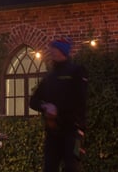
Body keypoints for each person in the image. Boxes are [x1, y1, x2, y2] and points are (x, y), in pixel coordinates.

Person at [29, 38, 88, 172]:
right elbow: (33, 101)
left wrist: (58, 109)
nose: (51, 52)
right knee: (49, 167)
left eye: (54, 49)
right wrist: (45, 106)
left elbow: (80, 100)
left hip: (72, 131)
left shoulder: (76, 71)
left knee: (71, 167)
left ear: (62, 51)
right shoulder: (50, 77)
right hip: (52, 132)